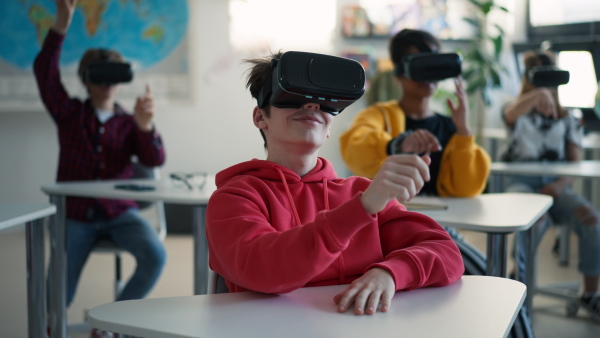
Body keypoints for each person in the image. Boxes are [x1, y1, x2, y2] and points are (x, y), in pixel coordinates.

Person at [206, 50, 464, 316]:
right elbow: (262, 268)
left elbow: (447, 253)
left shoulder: (362, 191)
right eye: (293, 96)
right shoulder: (235, 197)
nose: (312, 106)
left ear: (329, 128)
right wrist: (361, 209)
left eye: (325, 102)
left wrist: (389, 273)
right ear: (261, 117)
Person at [34, 0, 166, 335]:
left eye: (113, 73)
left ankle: (111, 322)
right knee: (56, 292)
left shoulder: (128, 122)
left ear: (122, 79)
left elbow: (154, 161)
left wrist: (145, 126)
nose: (107, 82)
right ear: (86, 79)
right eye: (99, 73)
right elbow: (45, 73)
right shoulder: (70, 114)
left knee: (155, 255)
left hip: (120, 212)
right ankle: (53, 325)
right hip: (75, 216)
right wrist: (61, 23)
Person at [501, 50, 600, 321]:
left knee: (592, 219)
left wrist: (559, 186)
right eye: (538, 77)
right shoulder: (516, 109)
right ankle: (518, 286)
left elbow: (575, 163)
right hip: (521, 184)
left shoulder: (569, 118)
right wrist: (535, 94)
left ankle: (590, 294)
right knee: (534, 220)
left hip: (557, 187)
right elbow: (509, 116)